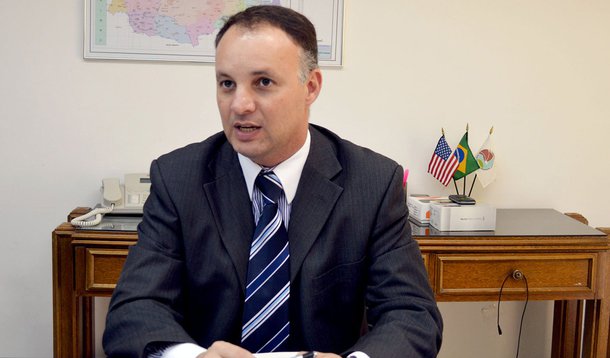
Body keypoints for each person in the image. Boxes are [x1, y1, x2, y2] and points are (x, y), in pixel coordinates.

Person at [103, 5, 442, 358]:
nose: (240, 104)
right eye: (227, 84)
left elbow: (412, 315)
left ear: (310, 87)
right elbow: (135, 310)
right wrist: (192, 356)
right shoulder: (177, 178)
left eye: (263, 82)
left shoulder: (373, 183)